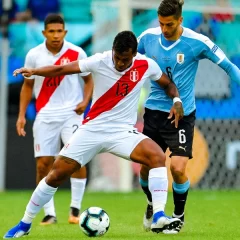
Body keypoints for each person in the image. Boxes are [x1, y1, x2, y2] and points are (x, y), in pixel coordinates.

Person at [4, 30, 184, 238]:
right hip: (92, 130)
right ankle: (24, 224)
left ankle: (158, 216)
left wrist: (177, 100)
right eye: (117, 57)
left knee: (158, 157)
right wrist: (35, 71)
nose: (119, 63)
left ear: (134, 55)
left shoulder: (146, 65)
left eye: (125, 60)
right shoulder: (99, 61)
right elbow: (62, 68)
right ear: (113, 51)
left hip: (122, 132)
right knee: (56, 174)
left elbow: (168, 84)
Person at [137, 0, 240, 234]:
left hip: (183, 114)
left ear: (181, 20)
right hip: (154, 111)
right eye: (162, 23)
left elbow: (228, 66)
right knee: (146, 169)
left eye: (170, 24)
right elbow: (127, 62)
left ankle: (178, 216)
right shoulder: (147, 38)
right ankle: (152, 203)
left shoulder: (197, 42)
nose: (164, 29)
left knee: (178, 168)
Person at [15, 14, 93, 225]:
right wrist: (21, 115)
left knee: (76, 160)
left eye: (60, 31)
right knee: (43, 165)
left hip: (72, 114)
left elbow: (88, 80)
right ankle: (49, 213)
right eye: (52, 31)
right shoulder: (34, 55)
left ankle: (75, 211)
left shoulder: (77, 52)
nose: (56, 35)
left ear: (65, 32)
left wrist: (86, 101)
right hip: (45, 115)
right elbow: (28, 85)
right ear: (44, 33)